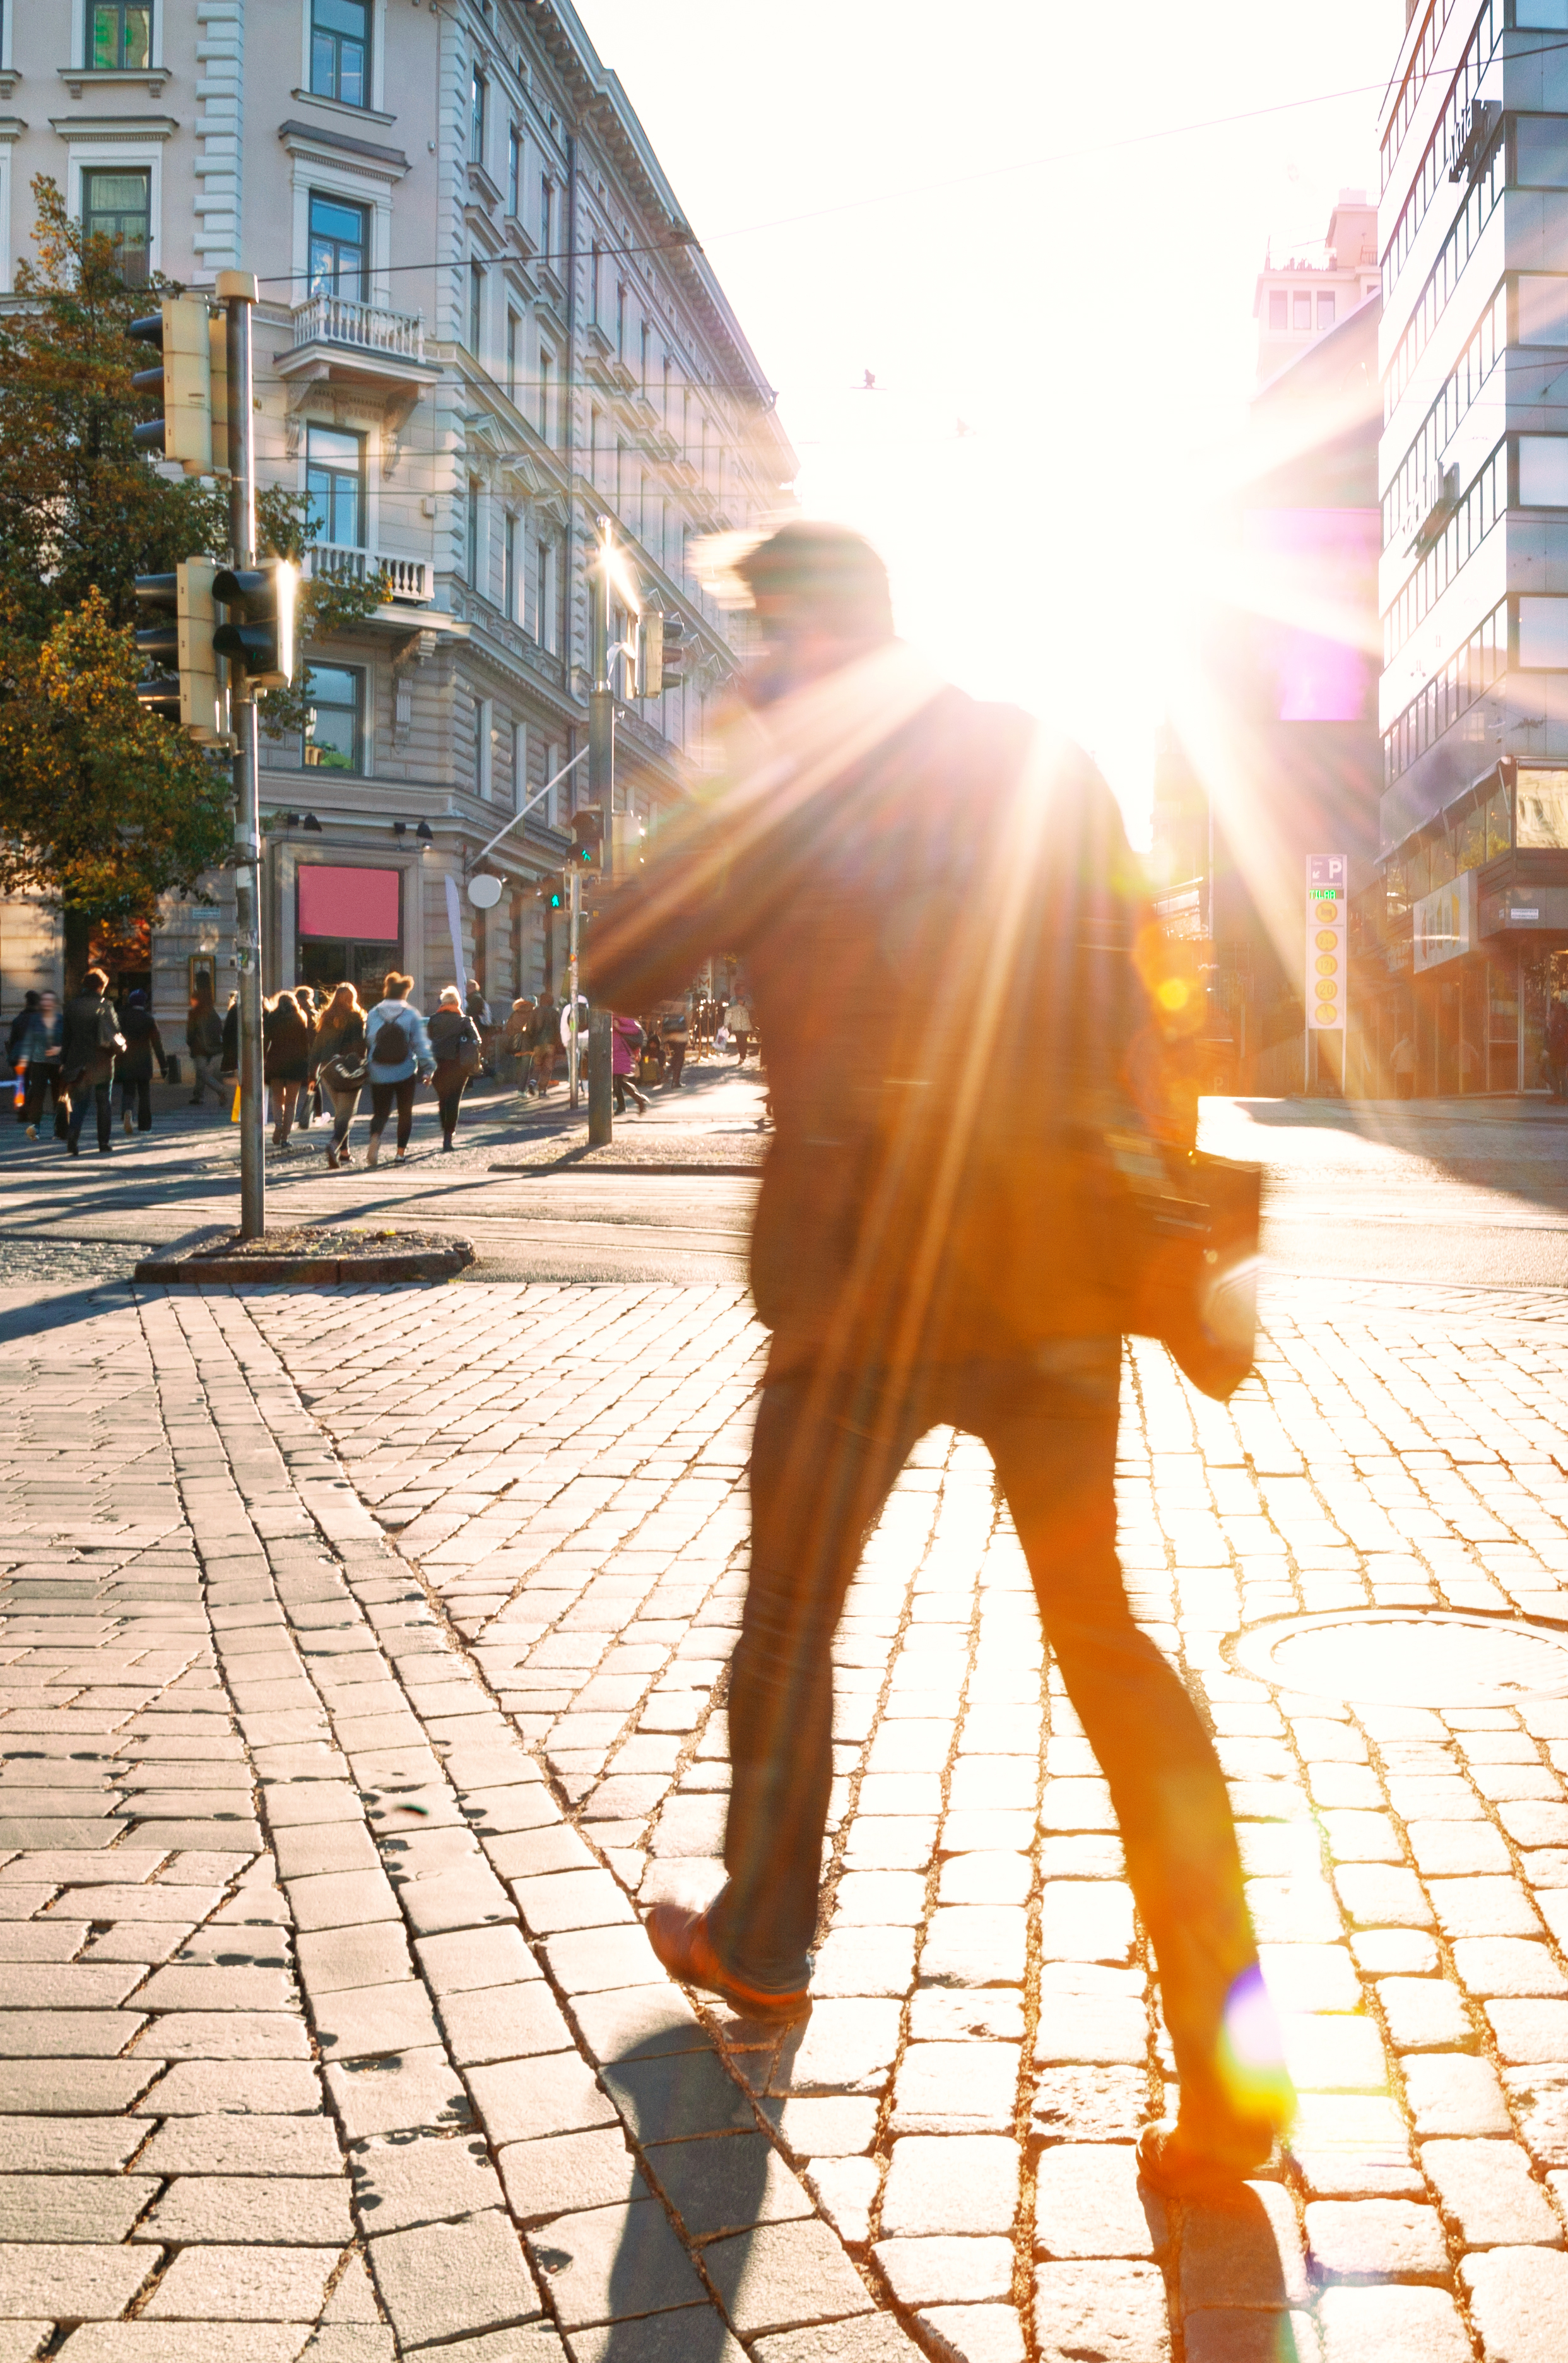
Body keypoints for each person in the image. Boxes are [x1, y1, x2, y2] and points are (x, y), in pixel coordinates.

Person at [586, 523, 1284, 2196]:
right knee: (1107, 1646)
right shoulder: (1043, 754)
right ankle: (1234, 2062)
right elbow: (1158, 1001)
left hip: (861, 1287)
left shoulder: (791, 778)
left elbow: (625, 960)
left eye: (766, 642)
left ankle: (765, 1935)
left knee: (790, 1623)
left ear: (799, 645)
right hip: (1050, 1273)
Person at [354, 969, 432, 1167]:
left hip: (379, 1070)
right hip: (404, 1070)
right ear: (405, 993)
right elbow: (420, 1045)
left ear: (386, 991)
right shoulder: (411, 1014)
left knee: (380, 1112)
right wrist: (428, 1069)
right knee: (405, 1113)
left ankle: (375, 1139)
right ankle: (400, 1153)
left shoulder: (374, 1013)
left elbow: (370, 1040)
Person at [55, 967, 126, 1156]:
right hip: (102, 1062)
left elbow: (66, 1037)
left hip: (78, 1062)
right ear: (102, 986)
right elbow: (116, 1031)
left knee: (81, 1103)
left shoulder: (71, 1007)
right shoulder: (106, 1006)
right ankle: (103, 1143)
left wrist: (64, 1061)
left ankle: (73, 1139)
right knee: (104, 1103)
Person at [311, 980, 368, 1161]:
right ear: (353, 998)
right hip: (348, 1070)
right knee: (346, 1114)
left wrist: (312, 1074)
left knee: (340, 1112)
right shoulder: (356, 1017)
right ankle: (334, 1145)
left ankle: (345, 1153)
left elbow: (317, 1047)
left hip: (328, 1070)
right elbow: (359, 1047)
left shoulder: (326, 1017)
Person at [428, 986, 483, 1152]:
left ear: (443, 1003)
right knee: (454, 1100)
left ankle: (445, 1128)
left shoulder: (433, 1020)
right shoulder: (465, 1021)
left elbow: (428, 1039)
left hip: (438, 1065)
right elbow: (477, 1041)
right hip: (459, 1066)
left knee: (443, 1099)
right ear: (457, 1003)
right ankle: (448, 1137)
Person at [264, 990, 317, 1146]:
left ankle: (278, 1125)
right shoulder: (300, 1017)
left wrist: (264, 1059)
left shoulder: (272, 1018)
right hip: (296, 1063)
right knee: (291, 1102)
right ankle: (286, 1137)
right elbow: (306, 1042)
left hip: (276, 1062)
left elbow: (266, 1041)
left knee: (277, 1098)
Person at [115, 978, 165, 1135]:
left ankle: (127, 1111)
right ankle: (145, 1126)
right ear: (144, 1003)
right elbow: (157, 1044)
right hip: (144, 1061)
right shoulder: (149, 1019)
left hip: (126, 1060)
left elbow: (116, 1037)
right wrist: (163, 1065)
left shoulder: (122, 1017)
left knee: (128, 1090)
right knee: (144, 1094)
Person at [4, 990, 57, 1139]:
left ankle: (22, 1111)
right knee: (36, 1086)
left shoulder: (18, 1019)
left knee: (21, 1083)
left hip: (20, 1056)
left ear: (26, 1003)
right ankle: (30, 1110)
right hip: (35, 1056)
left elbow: (13, 1039)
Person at [185, 978, 222, 1110]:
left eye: (192, 1000)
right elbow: (219, 1028)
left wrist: (189, 1042)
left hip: (199, 1046)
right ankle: (198, 1096)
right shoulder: (212, 1010)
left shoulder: (194, 1013)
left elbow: (191, 1031)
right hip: (212, 1046)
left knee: (202, 1073)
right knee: (201, 1071)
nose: (191, 1002)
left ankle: (220, 1090)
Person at [612, 1009, 651, 1115]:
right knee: (618, 1082)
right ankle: (630, 1103)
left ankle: (629, 1104)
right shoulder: (611, 1014)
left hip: (621, 1053)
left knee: (619, 1082)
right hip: (615, 1053)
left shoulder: (619, 1015)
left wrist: (620, 1028)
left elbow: (635, 1029)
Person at [1541, 994, 1568, 1103]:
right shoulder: (1555, 1024)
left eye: (1549, 1015)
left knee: (1561, 1074)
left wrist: (1548, 1050)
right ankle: (1558, 1095)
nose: (1547, 1016)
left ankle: (1564, 1097)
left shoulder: (1560, 1024)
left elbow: (1557, 1039)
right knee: (1551, 1072)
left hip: (1561, 1054)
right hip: (1557, 1054)